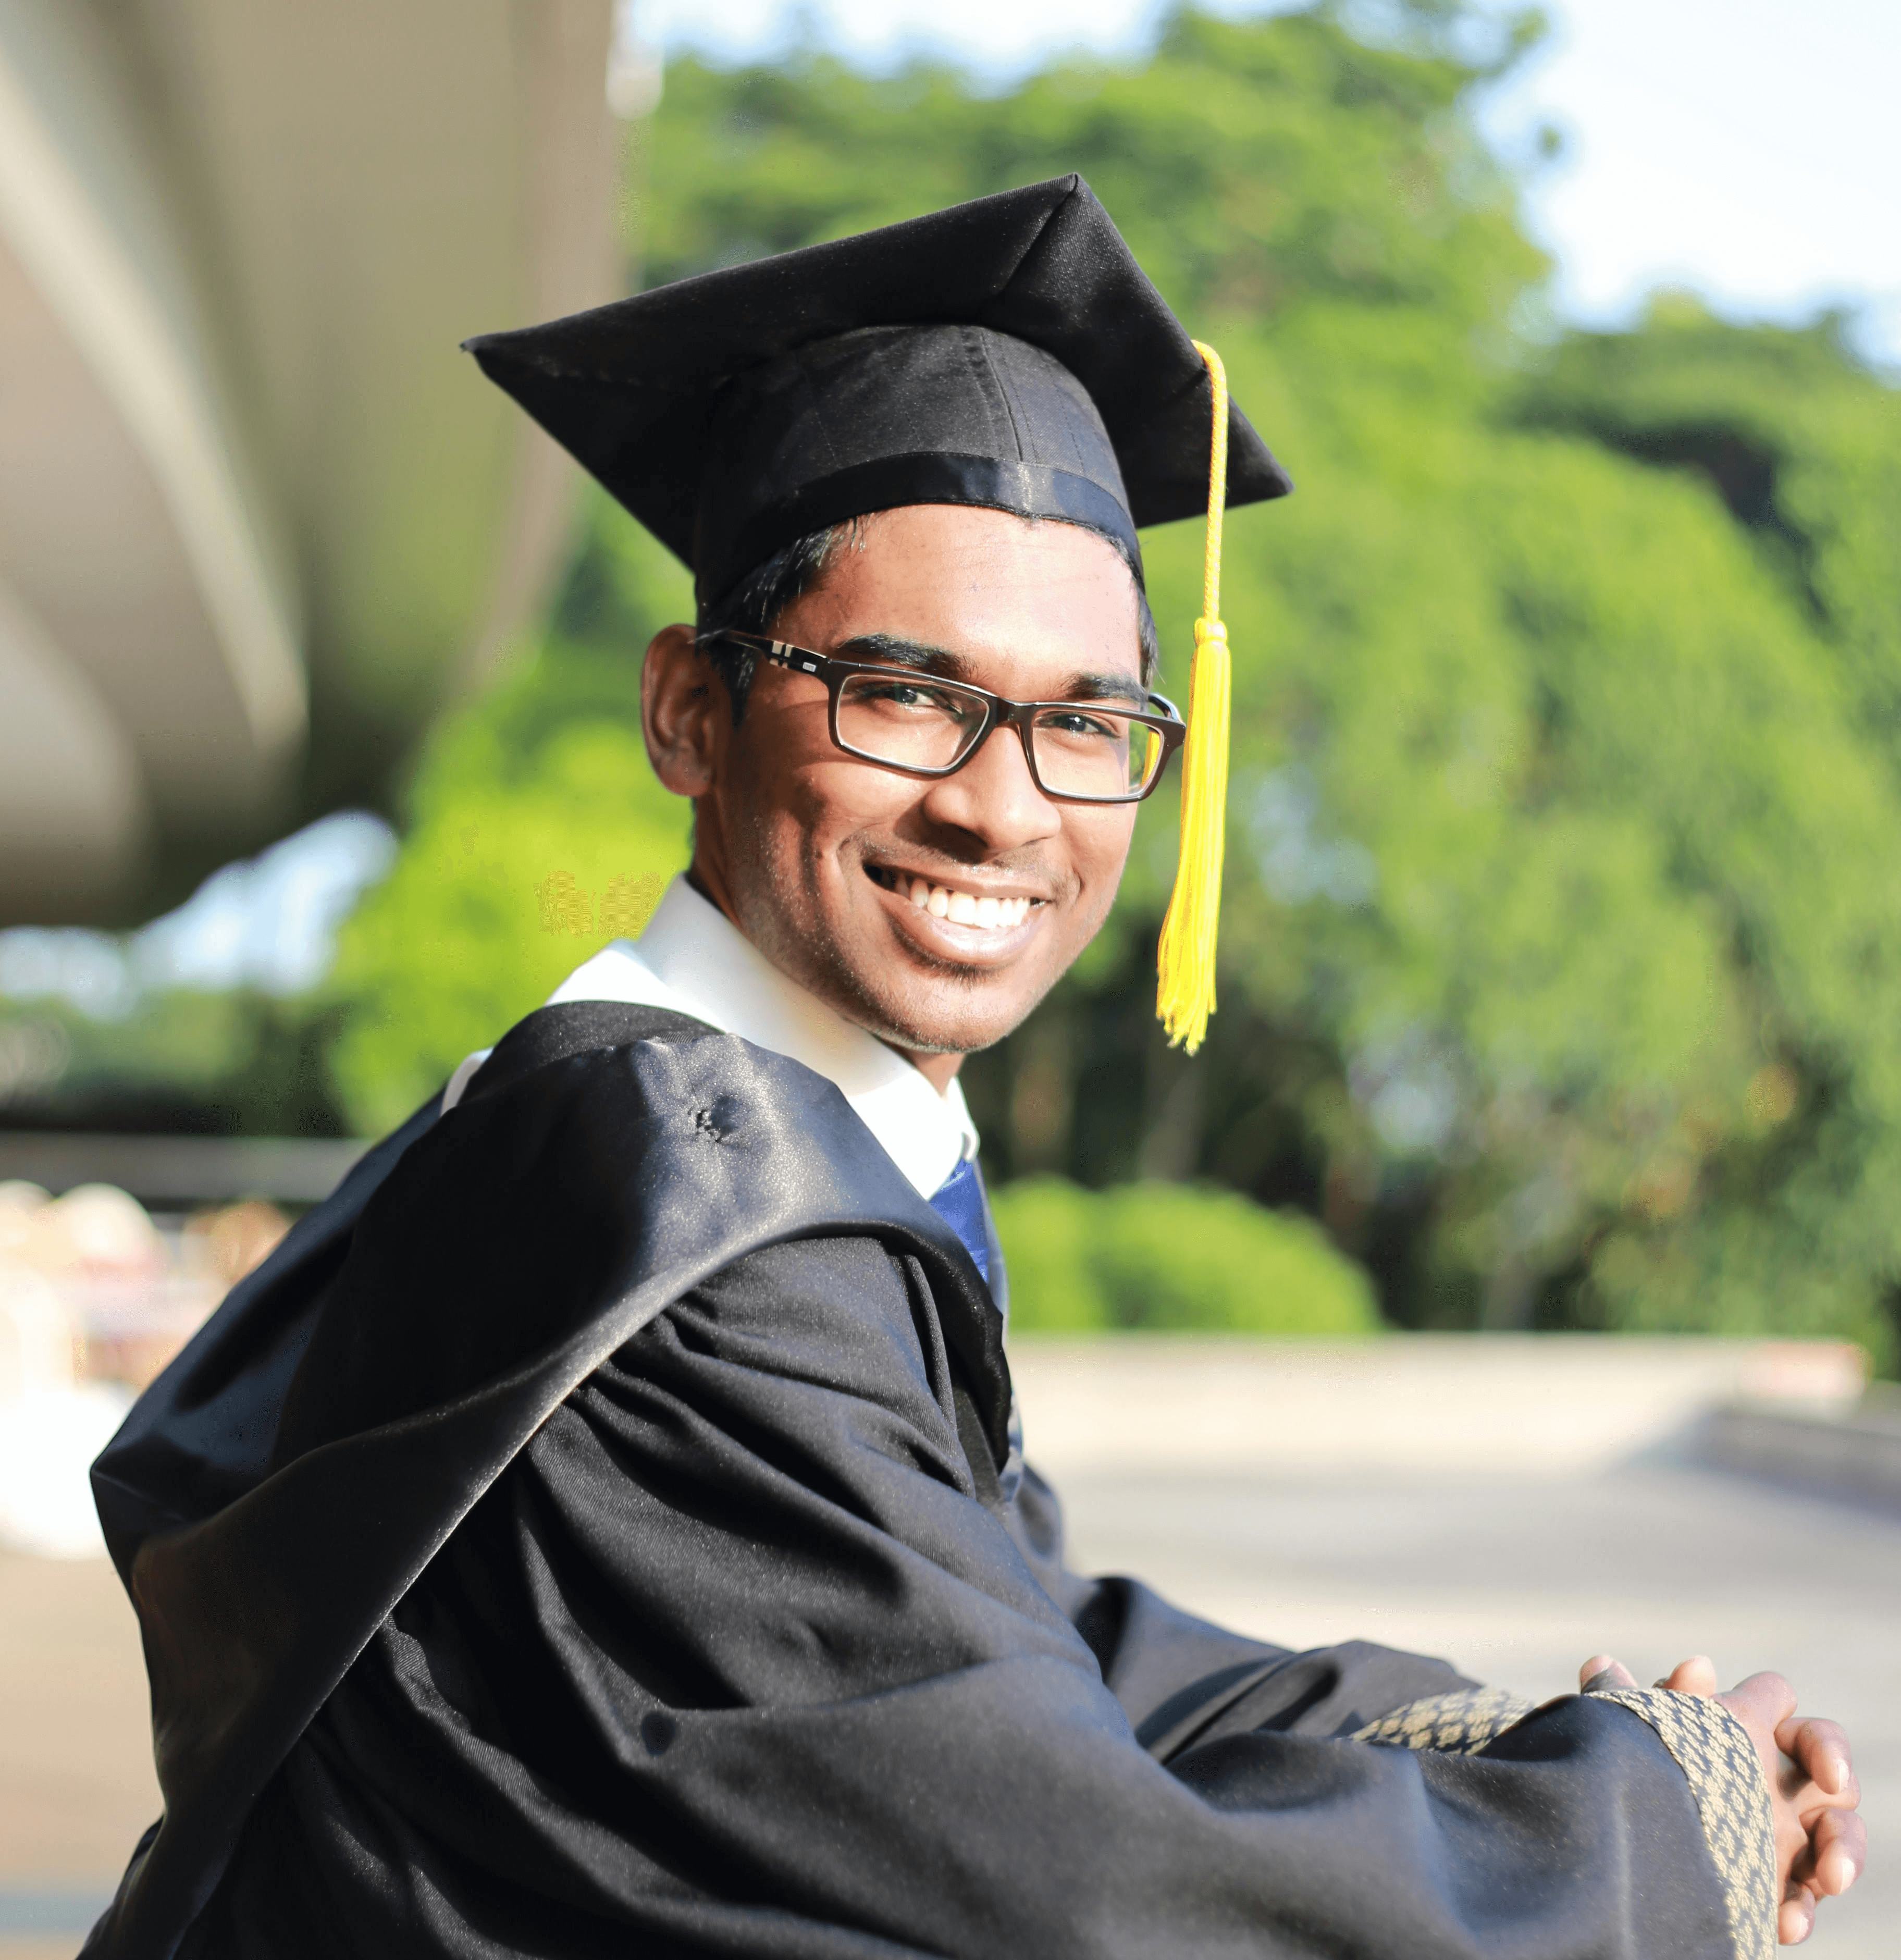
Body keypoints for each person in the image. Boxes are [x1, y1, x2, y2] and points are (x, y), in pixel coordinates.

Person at [85, 177, 1862, 1960]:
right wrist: (1649, 1828)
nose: (1003, 810)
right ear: (688, 714)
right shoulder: (688, 1233)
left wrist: (1535, 1744)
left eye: (1089, 722)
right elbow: (1085, 1887)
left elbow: (1021, 1625)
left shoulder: (755, 1139)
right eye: (903, 693)